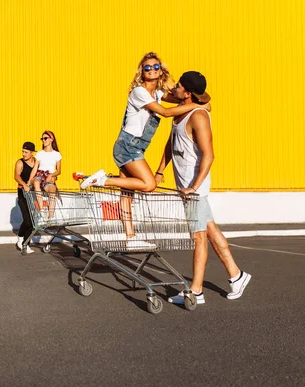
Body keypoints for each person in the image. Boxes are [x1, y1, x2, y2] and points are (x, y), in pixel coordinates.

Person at [79, 52, 211, 249]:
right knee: (148, 185)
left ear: (161, 71)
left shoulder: (157, 94)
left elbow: (180, 100)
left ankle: (130, 236)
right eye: (147, 67)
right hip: (128, 145)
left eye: (156, 67)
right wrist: (198, 105)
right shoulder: (139, 92)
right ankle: (102, 180)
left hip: (135, 146)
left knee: (127, 192)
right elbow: (166, 112)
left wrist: (200, 102)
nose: (152, 70)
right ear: (142, 71)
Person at [154, 71, 251, 305]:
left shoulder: (197, 116)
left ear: (187, 93)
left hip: (194, 187)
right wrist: (160, 170)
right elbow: (172, 141)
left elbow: (209, 155)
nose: (174, 88)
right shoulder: (182, 111)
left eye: (178, 86)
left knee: (198, 237)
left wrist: (194, 187)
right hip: (186, 184)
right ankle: (236, 276)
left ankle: (196, 291)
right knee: (210, 231)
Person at [28, 130, 62, 222]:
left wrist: (51, 175)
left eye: (45, 138)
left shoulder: (57, 154)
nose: (43, 140)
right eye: (42, 138)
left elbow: (59, 171)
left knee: (52, 191)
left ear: (51, 139)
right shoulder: (40, 153)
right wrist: (29, 181)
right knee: (36, 182)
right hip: (40, 174)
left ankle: (50, 217)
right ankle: (42, 210)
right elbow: (35, 169)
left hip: (49, 175)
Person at [14, 142, 37, 253]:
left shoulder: (36, 163)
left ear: (32, 153)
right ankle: (20, 236)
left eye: (26, 152)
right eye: (23, 151)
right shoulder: (20, 162)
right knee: (28, 221)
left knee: (33, 222)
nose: (23, 154)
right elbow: (16, 176)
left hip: (33, 194)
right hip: (22, 193)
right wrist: (24, 184)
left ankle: (26, 244)